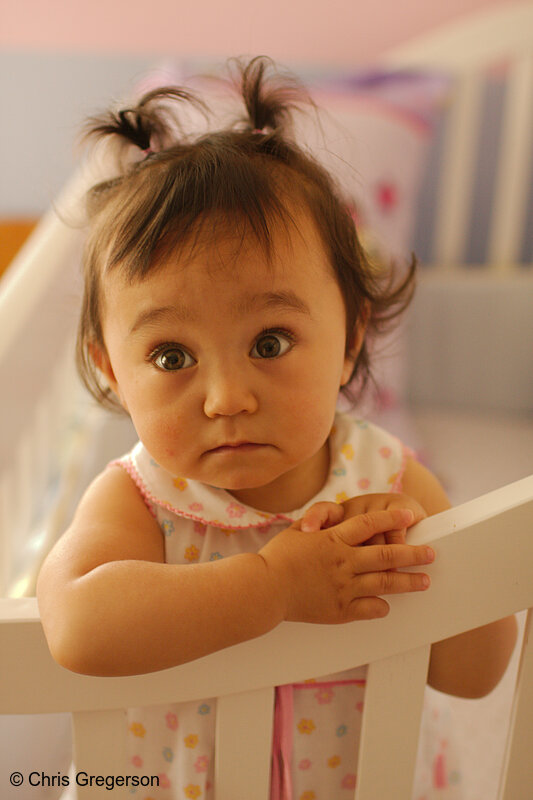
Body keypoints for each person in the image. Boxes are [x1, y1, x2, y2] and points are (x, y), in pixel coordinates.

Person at [37, 57, 517, 800]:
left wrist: (419, 558)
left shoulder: (387, 482)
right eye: (171, 356)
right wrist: (271, 585)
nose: (226, 398)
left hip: (367, 780)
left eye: (268, 343)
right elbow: (74, 628)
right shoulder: (141, 497)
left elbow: (475, 671)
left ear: (352, 335)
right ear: (109, 368)